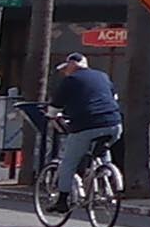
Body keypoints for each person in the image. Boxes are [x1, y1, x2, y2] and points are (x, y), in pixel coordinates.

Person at [39, 51, 120, 206]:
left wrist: (51, 115)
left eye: (66, 68)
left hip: (86, 125)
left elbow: (55, 106)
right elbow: (114, 97)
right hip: (114, 123)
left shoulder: (71, 80)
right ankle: (106, 179)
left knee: (69, 162)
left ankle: (62, 200)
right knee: (103, 147)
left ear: (72, 64)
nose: (65, 71)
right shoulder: (103, 76)